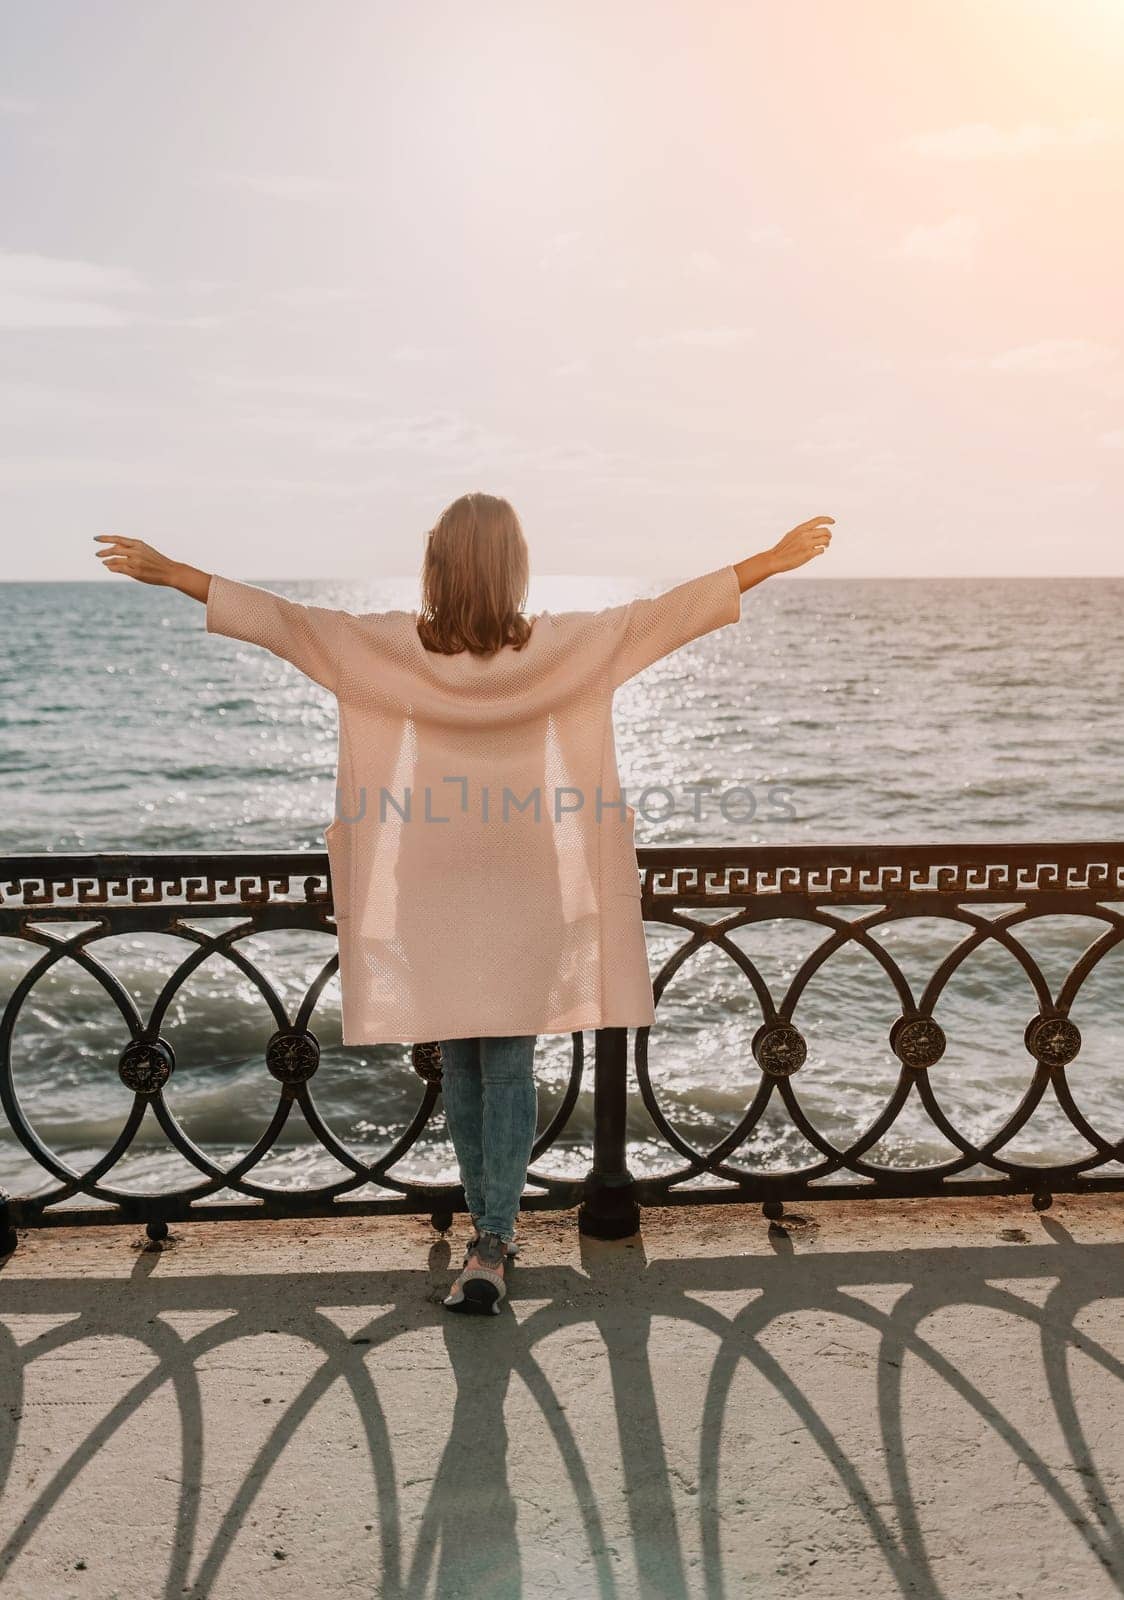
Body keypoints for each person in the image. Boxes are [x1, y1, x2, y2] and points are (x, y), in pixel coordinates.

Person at [94, 495, 833, 1316]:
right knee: (499, 1062)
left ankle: (491, 1236)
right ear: (514, 565)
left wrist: (177, 577)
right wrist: (764, 561)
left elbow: (285, 623)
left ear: (438, 564)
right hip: (527, 880)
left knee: (470, 1060)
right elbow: (664, 619)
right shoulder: (562, 646)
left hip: (429, 879)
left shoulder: (391, 647)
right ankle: (493, 1237)